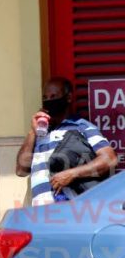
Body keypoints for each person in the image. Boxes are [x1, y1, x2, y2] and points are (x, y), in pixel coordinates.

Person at [15, 77, 117, 205]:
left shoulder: (82, 127)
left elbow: (110, 159)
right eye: (45, 98)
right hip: (41, 215)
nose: (49, 101)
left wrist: (72, 174)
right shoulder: (40, 133)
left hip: (70, 212)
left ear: (68, 98)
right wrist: (32, 132)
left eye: (54, 96)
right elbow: (21, 170)